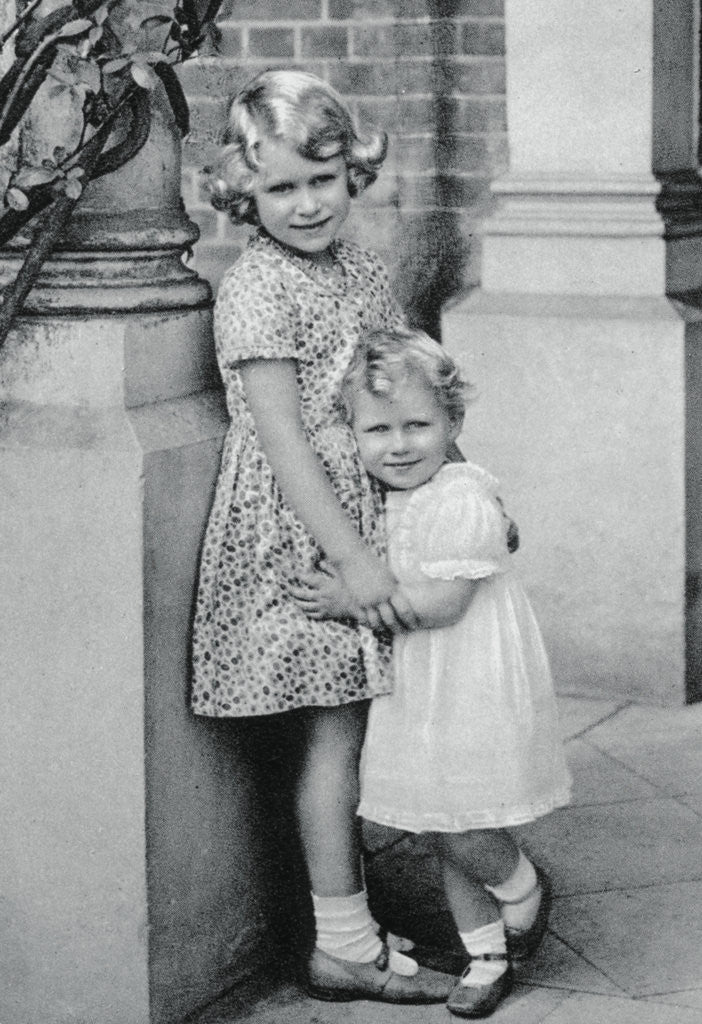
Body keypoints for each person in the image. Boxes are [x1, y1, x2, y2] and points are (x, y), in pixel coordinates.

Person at [190, 69, 457, 1003]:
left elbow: (403, 394)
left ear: (352, 174)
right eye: (280, 188)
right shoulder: (256, 289)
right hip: (299, 534)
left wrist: (457, 485)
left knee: (379, 719)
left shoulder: (360, 270)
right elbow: (281, 438)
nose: (305, 204)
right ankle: (342, 938)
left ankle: (441, 886)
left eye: (323, 178)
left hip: (370, 510)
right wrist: (352, 557)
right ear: (243, 192)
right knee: (334, 734)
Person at [293, 327, 572, 1018]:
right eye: (379, 429)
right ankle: (485, 955)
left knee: (464, 821)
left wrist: (350, 604)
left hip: (469, 682)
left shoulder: (461, 498)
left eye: (419, 425)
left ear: (453, 424)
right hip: (422, 687)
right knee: (439, 816)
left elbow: (445, 604)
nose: (400, 444)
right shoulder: (381, 496)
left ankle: (521, 890)